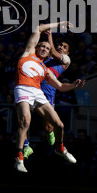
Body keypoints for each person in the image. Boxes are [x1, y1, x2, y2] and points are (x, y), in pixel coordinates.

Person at [13, 21, 86, 173]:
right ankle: (20, 157)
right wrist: (59, 24)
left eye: (47, 48)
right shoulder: (28, 53)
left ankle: (60, 148)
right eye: (43, 46)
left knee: (58, 125)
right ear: (37, 47)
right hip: (23, 89)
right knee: (25, 121)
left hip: (39, 93)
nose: (46, 48)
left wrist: (74, 85)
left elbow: (60, 86)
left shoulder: (49, 67)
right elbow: (38, 29)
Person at [23, 29, 72, 159]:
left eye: (64, 47)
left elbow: (55, 54)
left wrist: (50, 36)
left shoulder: (66, 60)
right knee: (23, 118)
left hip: (48, 93)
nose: (61, 47)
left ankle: (50, 133)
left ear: (68, 52)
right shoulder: (44, 56)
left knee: (48, 125)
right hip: (33, 88)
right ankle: (25, 146)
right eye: (60, 45)